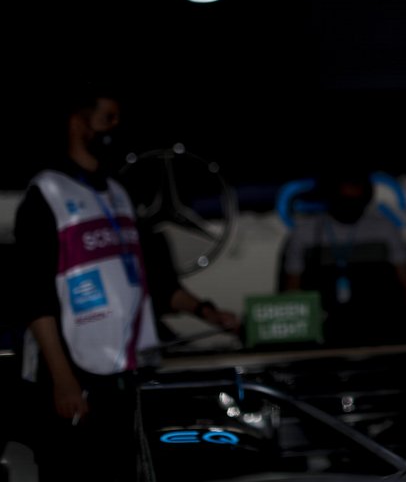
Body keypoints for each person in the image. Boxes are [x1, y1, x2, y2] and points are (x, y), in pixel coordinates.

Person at [12, 87, 240, 481]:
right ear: (78, 121)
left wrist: (208, 313)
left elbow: (156, 282)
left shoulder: (120, 194)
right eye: (108, 118)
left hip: (124, 375)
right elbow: (34, 297)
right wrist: (63, 380)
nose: (116, 128)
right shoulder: (46, 193)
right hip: (72, 372)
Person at [280, 168, 406, 346]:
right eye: (344, 198)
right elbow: (293, 293)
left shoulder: (385, 229)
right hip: (322, 335)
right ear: (330, 195)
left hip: (379, 331)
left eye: (356, 199)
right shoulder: (305, 232)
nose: (350, 204)